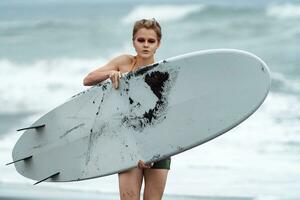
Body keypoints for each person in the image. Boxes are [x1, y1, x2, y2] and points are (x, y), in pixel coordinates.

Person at [83, 18, 171, 200]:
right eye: (141, 40)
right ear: (133, 42)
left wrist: (151, 152)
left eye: (151, 41)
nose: (145, 45)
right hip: (126, 142)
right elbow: (88, 79)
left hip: (157, 144)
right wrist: (111, 73)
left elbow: (162, 117)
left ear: (158, 44)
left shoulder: (163, 73)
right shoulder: (124, 63)